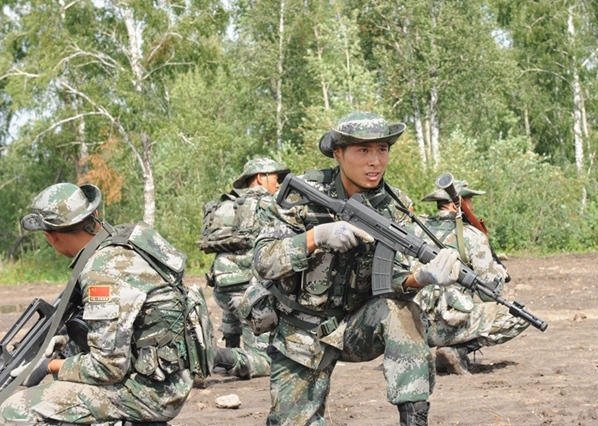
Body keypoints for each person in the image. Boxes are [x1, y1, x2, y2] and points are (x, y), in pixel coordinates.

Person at [252, 111, 461, 426]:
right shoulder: (303, 193)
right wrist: (315, 237)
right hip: (300, 331)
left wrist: (421, 277)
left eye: (382, 149)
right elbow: (263, 261)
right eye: (363, 151)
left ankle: (414, 419)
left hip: (356, 326)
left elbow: (390, 282)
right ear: (338, 154)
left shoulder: (394, 206)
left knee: (402, 311)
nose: (375, 161)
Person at [0, 183, 192, 424]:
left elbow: (108, 368)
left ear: (51, 237)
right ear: (95, 215)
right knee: (71, 349)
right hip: (172, 376)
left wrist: (48, 366)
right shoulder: (124, 239)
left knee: (15, 410)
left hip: (154, 393)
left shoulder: (102, 270)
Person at [413, 180, 529, 375]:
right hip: (447, 324)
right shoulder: (472, 236)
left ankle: (439, 357)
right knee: (519, 316)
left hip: (410, 324)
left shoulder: (415, 228)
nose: (472, 206)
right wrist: (498, 272)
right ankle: (457, 350)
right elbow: (490, 295)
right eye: (468, 201)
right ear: (455, 204)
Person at [207, 157, 290, 379]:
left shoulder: (228, 205)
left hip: (221, 287)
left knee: (235, 304)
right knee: (265, 361)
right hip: (249, 293)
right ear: (260, 177)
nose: (279, 184)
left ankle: (225, 356)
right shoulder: (271, 206)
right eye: (276, 177)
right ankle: (215, 357)